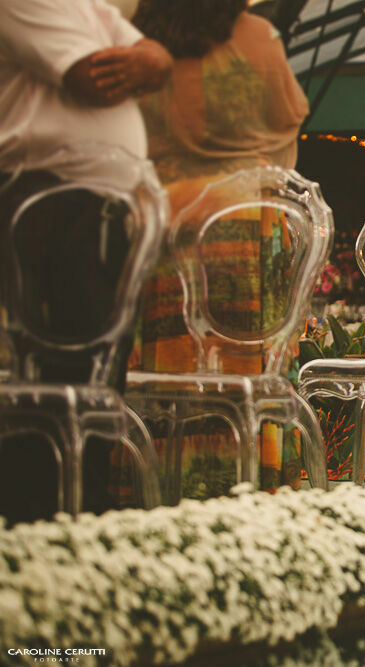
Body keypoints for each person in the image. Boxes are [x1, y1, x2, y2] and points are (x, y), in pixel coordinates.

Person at [0, 0, 172, 523]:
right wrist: (144, 63)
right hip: (48, 200)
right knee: (58, 369)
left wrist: (151, 62)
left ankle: (83, 507)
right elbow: (89, 80)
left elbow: (160, 62)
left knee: (99, 373)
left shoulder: (89, 5)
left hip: (92, 205)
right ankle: (44, 514)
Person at [131, 0, 309, 494]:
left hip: (162, 228)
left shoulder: (140, 41)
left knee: (165, 373)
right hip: (246, 226)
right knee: (249, 370)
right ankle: (255, 478)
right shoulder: (255, 36)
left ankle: (164, 485)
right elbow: (287, 125)